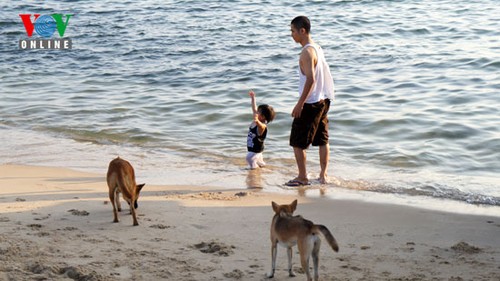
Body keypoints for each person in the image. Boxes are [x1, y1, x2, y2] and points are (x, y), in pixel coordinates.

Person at [286, 16, 335, 186]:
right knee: (322, 139)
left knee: (297, 142)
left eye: (293, 31)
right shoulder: (317, 48)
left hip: (311, 103)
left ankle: (302, 177)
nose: (291, 35)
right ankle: (323, 176)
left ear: (302, 31)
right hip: (323, 100)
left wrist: (300, 104)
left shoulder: (307, 52)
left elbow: (311, 79)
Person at [246, 90, 275, 169]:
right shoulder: (257, 118)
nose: (256, 112)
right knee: (259, 161)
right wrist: (253, 98)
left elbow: (261, 126)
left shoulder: (262, 125)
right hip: (255, 148)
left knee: (249, 158)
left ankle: (254, 169)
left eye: (258, 112)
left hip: (256, 149)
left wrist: (256, 121)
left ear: (263, 117)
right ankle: (262, 166)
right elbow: (254, 108)